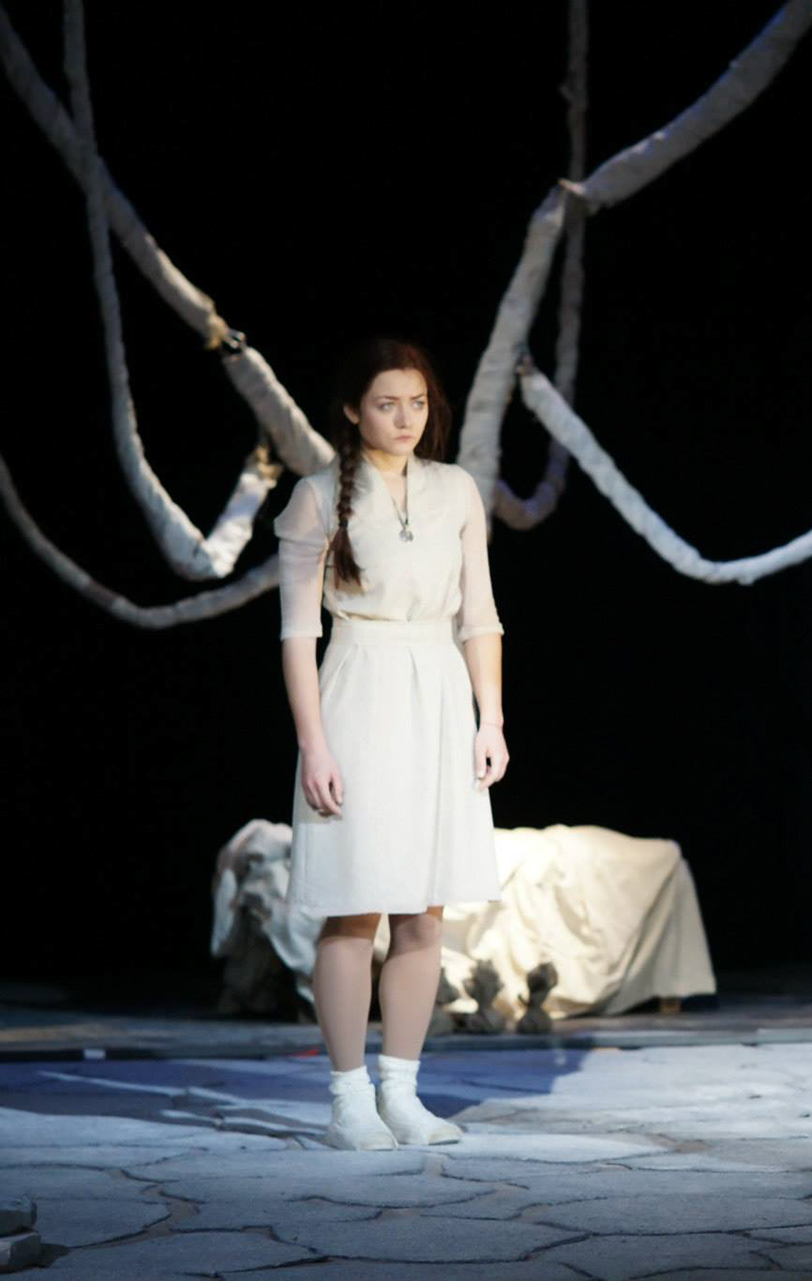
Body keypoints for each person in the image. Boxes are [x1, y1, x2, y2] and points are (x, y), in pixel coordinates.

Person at [274, 338, 509, 1150]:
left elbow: (480, 614)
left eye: (416, 402)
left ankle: (402, 1092)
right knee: (354, 906)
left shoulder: (456, 489)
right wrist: (315, 745)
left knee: (424, 909)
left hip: (438, 692)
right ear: (352, 410)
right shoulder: (315, 497)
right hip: (359, 691)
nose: (405, 418)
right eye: (386, 404)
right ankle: (349, 1097)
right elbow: (297, 635)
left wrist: (490, 718)